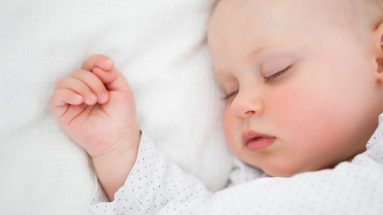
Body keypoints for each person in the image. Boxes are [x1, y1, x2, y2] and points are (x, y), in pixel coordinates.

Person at [50, 0, 383, 214]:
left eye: (275, 72)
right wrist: (118, 148)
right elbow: (183, 208)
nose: (240, 105)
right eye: (228, 91)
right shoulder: (255, 185)